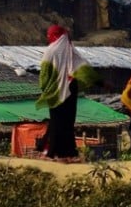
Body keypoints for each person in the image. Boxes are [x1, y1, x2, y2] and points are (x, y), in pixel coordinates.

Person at [35, 25, 99, 163]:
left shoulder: (50, 51)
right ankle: (66, 153)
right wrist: (100, 82)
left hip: (55, 91)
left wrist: (45, 89)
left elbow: (44, 75)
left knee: (57, 122)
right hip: (71, 90)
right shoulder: (71, 51)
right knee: (67, 123)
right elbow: (84, 70)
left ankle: (53, 153)